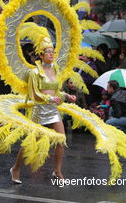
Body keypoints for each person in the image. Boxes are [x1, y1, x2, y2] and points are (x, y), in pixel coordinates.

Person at [10, 37, 76, 183]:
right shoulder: (34, 73)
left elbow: (56, 91)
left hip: (53, 110)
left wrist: (67, 95)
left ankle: (57, 171)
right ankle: (16, 168)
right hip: (39, 111)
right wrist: (51, 99)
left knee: (61, 139)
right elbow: (35, 94)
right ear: (40, 55)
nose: (51, 54)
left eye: (53, 51)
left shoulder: (55, 69)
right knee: (30, 143)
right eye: (48, 52)